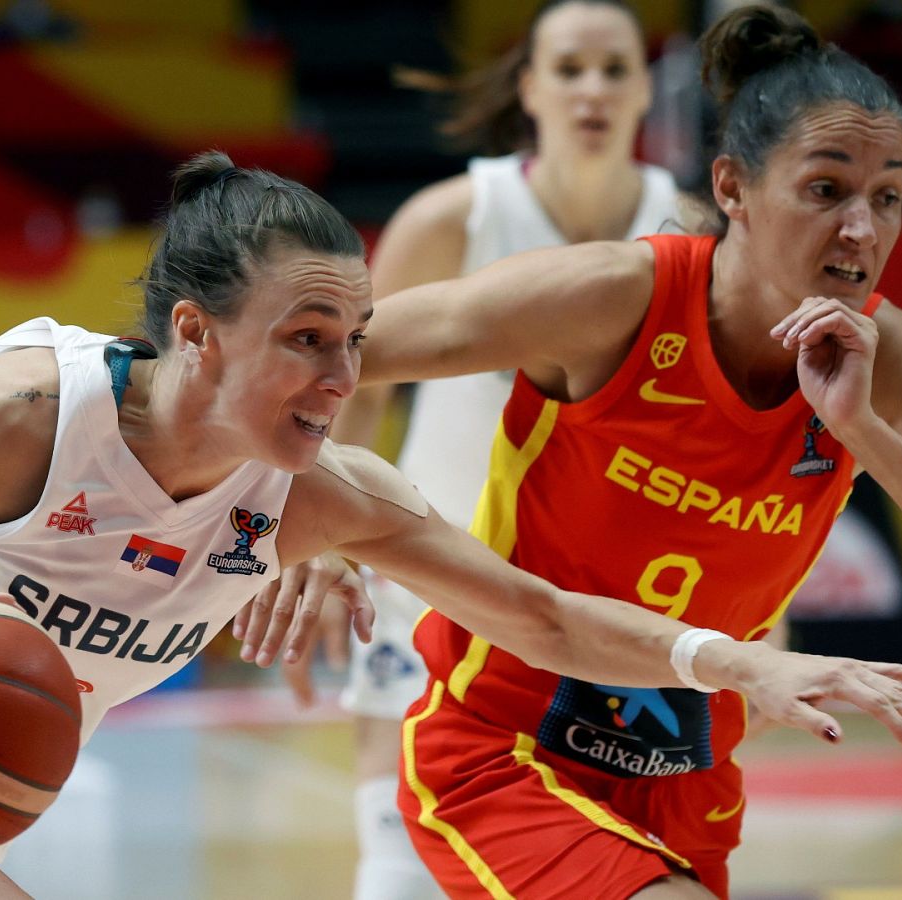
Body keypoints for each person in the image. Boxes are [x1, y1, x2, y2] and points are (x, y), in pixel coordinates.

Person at [0, 151, 902, 898]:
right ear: (195, 332)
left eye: (353, 340)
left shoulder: (319, 498)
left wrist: (735, 662)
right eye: (305, 340)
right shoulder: (27, 416)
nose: (344, 376)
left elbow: (541, 617)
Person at [257, 5, 902, 898]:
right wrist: (307, 516)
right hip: (505, 741)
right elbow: (318, 356)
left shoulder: (897, 359)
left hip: (685, 770)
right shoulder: (610, 292)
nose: (861, 230)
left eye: (888, 196)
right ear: (733, 189)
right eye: (826, 190)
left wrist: (865, 430)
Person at [267, 2, 684, 895]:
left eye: (615, 69)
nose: (593, 89)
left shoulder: (687, 234)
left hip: (599, 605)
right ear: (529, 88)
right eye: (569, 69)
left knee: (586, 865)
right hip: (435, 570)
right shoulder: (454, 219)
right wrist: (320, 540)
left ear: (646, 90)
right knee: (399, 866)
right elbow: (352, 389)